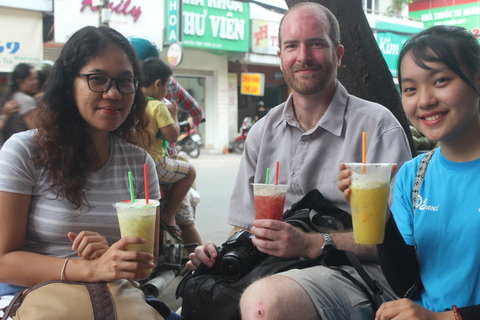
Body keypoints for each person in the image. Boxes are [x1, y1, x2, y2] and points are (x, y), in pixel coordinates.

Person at [187, 3, 412, 320]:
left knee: (265, 304)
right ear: (280, 56)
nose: (303, 56)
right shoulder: (262, 132)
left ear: (339, 54)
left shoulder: (377, 128)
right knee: (195, 297)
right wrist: (219, 251)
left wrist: (310, 243)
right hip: (276, 267)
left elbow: (397, 242)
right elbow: (246, 225)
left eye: (316, 43)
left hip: (360, 273)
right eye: (292, 45)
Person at [0, 26, 179, 320]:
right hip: (33, 299)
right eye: (97, 79)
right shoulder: (23, 152)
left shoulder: (140, 163)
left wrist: (109, 254)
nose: (113, 93)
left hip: (114, 300)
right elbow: (3, 260)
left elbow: (146, 265)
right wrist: (88, 268)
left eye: (125, 81)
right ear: (69, 84)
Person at [338, 25, 480, 320]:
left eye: (441, 80)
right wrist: (378, 214)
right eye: (410, 89)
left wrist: (442, 318)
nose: (424, 100)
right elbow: (407, 283)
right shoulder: (413, 175)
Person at [141, 57, 202, 248]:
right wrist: (174, 114)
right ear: (158, 84)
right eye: (167, 86)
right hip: (157, 164)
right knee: (190, 172)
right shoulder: (158, 106)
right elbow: (173, 136)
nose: (168, 90)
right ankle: (169, 213)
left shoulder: (132, 104)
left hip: (137, 167)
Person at [1, 63, 39, 142]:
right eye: (31, 79)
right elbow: (36, 132)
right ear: (19, 82)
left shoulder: (10, 97)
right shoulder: (26, 100)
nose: (36, 82)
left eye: (36, 79)